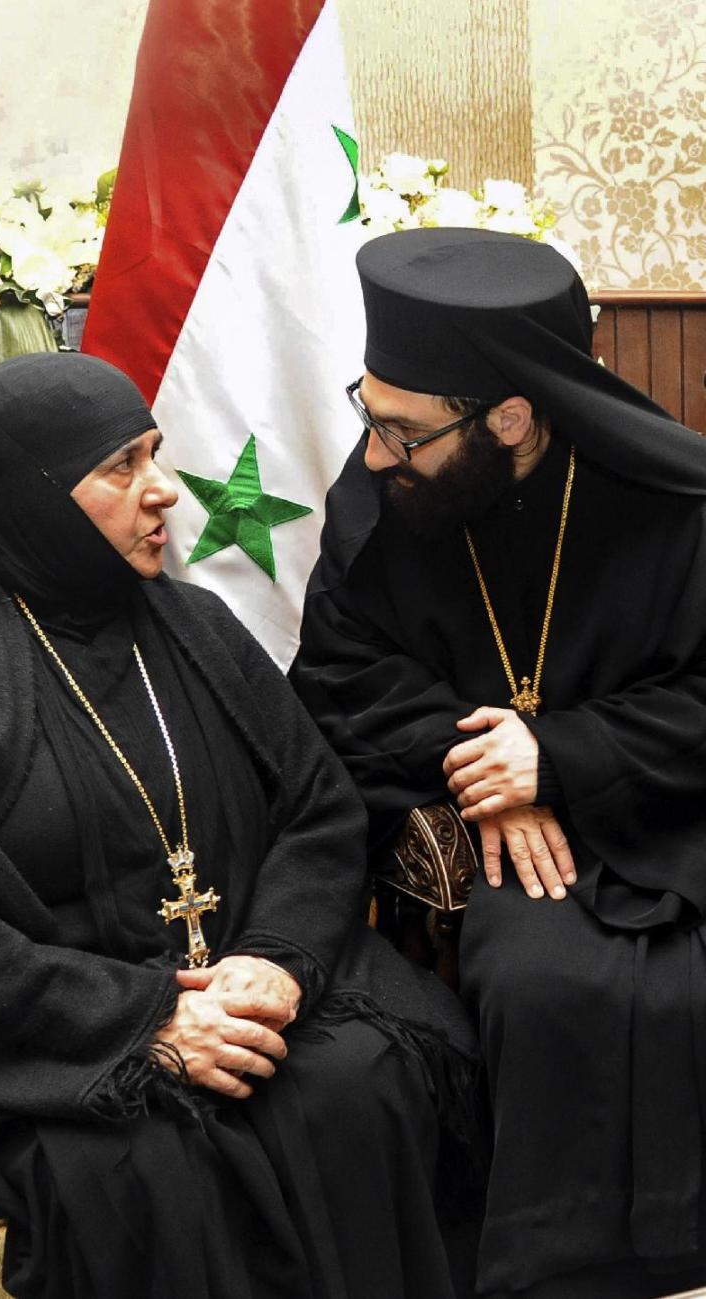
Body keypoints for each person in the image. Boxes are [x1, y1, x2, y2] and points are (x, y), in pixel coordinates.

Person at [0, 352, 480, 1299]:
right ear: (36, 496)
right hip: (52, 1045)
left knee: (364, 1079)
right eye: (121, 467)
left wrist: (278, 957)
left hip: (243, 988)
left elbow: (319, 807)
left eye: (155, 453)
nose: (163, 492)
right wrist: (149, 1016)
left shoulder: (197, 626)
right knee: (154, 1168)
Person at [290, 226, 706, 1299]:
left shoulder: (672, 504)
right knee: (538, 978)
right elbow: (338, 678)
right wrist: (488, 763)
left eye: (403, 432)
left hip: (666, 803)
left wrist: (561, 754)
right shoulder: (386, 498)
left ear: (511, 419)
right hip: (486, 816)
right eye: (369, 415)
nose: (375, 455)